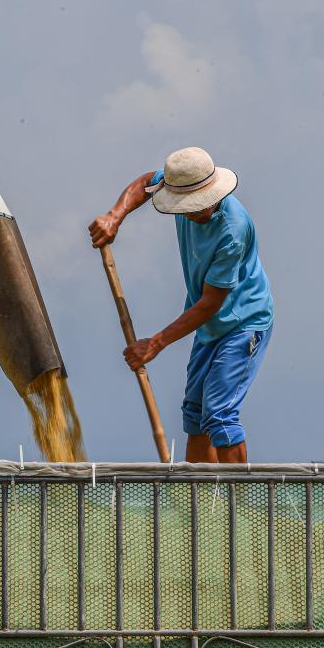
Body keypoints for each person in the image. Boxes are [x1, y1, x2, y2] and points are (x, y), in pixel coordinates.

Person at [89, 147, 274, 463]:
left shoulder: (233, 229)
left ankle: (240, 507)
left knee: (219, 413)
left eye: (194, 207)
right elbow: (146, 181)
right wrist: (114, 216)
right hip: (209, 327)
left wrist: (155, 344)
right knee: (195, 413)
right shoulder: (175, 183)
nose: (188, 214)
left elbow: (210, 304)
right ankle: (198, 507)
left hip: (244, 322)